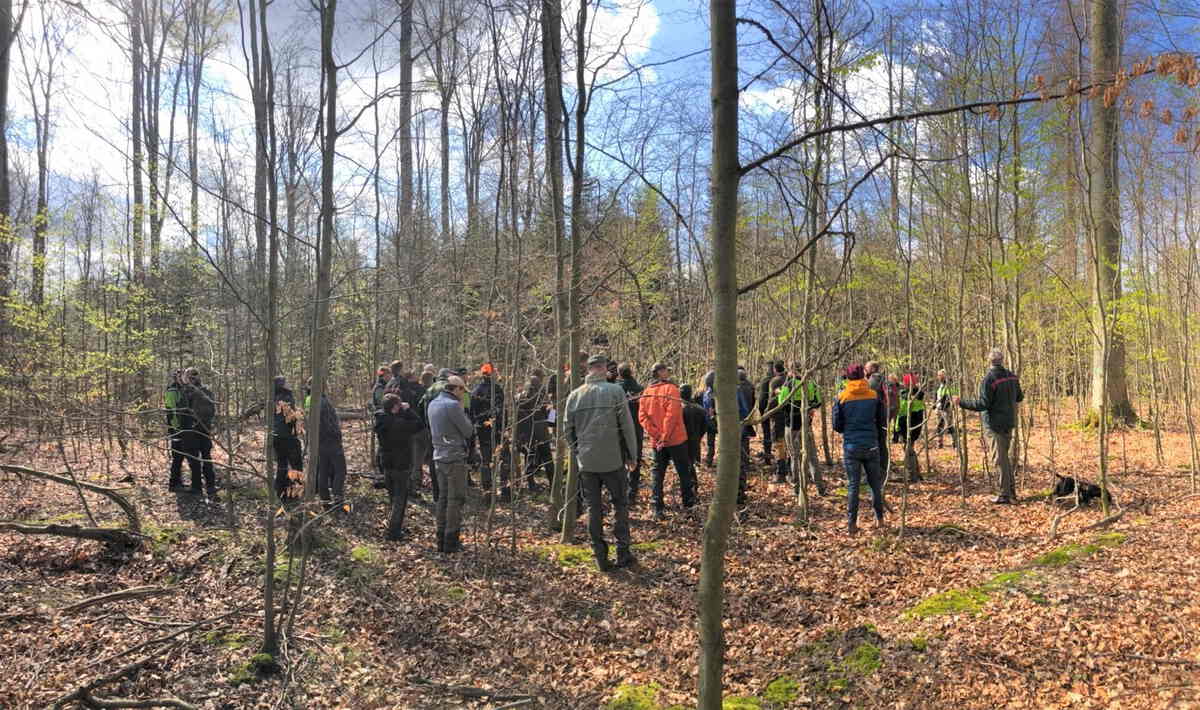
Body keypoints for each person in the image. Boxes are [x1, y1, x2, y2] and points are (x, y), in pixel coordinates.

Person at [564, 354, 639, 571]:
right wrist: (632, 455)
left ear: (589, 370)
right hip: (613, 460)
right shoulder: (615, 391)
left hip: (587, 462)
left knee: (593, 508)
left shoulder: (574, 396)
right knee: (620, 504)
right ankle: (623, 553)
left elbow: (567, 430)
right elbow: (627, 426)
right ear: (604, 368)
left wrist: (578, 452)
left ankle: (600, 557)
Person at [957, 348, 1024, 504]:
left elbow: (982, 404)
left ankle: (1004, 495)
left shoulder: (989, 379)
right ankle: (1010, 493)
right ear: (1002, 360)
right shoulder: (1012, 377)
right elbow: (1020, 397)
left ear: (990, 361)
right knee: (1004, 459)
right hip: (1008, 423)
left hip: (995, 425)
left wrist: (961, 402)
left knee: (1000, 460)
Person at [832, 363, 886, 535]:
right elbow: (881, 420)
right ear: (863, 376)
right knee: (875, 484)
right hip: (871, 444)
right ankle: (880, 519)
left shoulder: (842, 397)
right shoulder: (873, 395)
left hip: (851, 447)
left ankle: (852, 524)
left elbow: (837, 426)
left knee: (853, 485)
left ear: (847, 378)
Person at [638, 362, 696, 520]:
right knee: (683, 471)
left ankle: (657, 506)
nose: (668, 373)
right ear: (660, 372)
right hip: (675, 440)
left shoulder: (646, 393)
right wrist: (663, 437)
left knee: (657, 473)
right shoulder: (672, 390)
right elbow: (673, 416)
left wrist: (656, 436)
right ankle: (688, 504)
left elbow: (642, 418)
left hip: (657, 442)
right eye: (666, 371)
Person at [429, 375, 475, 553]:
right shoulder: (454, 405)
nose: (463, 395)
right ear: (456, 389)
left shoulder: (433, 403)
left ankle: (440, 537)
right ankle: (451, 541)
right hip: (454, 457)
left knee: (443, 498)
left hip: (438, 456)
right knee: (455, 500)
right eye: (463, 391)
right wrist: (463, 410)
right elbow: (468, 431)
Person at [374, 393, 424, 540]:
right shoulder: (399, 423)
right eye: (399, 404)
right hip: (400, 464)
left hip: (386, 463)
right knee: (400, 499)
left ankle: (395, 526)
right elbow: (419, 425)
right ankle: (394, 532)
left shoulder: (381, 419)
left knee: (392, 496)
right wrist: (408, 410)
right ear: (395, 407)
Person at [778, 364, 826, 497]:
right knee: (812, 457)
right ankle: (820, 487)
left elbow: (781, 403)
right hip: (806, 425)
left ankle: (797, 487)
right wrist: (810, 409)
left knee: (794, 456)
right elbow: (818, 401)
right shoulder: (810, 383)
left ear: (792, 371)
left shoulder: (788, 385)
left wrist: (779, 393)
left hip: (791, 426)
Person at [471, 362, 513, 500]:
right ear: (492, 374)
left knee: (486, 461)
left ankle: (487, 492)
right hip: (497, 430)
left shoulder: (475, 391)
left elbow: (473, 413)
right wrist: (505, 427)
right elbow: (502, 411)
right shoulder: (497, 390)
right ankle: (505, 491)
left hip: (483, 431)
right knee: (504, 458)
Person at [179, 368, 217, 497]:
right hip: (204, 430)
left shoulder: (186, 392)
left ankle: (197, 487)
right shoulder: (207, 391)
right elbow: (213, 411)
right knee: (206, 458)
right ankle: (210, 487)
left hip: (192, 431)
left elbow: (181, 411)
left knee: (195, 460)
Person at [312, 385, 349, 511]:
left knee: (323, 471)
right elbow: (330, 424)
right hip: (330, 441)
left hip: (320, 442)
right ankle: (338, 501)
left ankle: (325, 503)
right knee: (340, 470)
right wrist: (337, 436)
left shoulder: (311, 400)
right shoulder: (323, 402)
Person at [515, 374, 553, 490]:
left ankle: (531, 484)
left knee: (529, 456)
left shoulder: (518, 397)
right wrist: (552, 423)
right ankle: (553, 484)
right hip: (540, 429)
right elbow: (551, 414)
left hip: (526, 431)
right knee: (547, 457)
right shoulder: (543, 396)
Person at [617, 363, 645, 504]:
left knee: (620, 460)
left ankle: (621, 491)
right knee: (635, 459)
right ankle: (632, 493)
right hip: (636, 428)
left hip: (620, 429)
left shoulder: (616, 389)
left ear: (619, 374)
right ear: (631, 372)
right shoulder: (640, 389)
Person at [272, 376, 304, 498]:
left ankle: (280, 493)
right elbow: (290, 419)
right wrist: (298, 417)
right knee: (296, 466)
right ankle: (295, 494)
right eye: (286, 383)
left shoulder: (273, 398)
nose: (289, 384)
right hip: (288, 437)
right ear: (282, 385)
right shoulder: (286, 397)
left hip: (277, 437)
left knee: (282, 465)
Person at [164, 369, 187, 490]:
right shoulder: (172, 390)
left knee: (181, 455)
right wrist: (176, 427)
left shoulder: (181, 389)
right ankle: (173, 483)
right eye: (180, 376)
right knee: (177, 456)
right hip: (176, 429)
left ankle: (178, 481)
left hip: (182, 428)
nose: (183, 378)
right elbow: (171, 411)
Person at [678, 384, 708, 476]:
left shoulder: (678, 409)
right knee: (691, 459)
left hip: (684, 439)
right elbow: (705, 425)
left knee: (687, 463)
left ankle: (691, 482)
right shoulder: (700, 409)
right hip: (694, 437)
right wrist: (699, 435)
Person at [756, 361, 779, 465]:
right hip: (772, 408)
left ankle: (769, 457)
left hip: (766, 408)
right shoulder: (774, 380)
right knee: (774, 433)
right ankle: (771, 457)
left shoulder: (765, 379)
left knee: (768, 433)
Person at [934, 370, 959, 448]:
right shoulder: (941, 385)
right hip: (939, 408)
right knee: (939, 425)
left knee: (949, 426)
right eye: (938, 375)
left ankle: (955, 442)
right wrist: (935, 403)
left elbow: (950, 396)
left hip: (947, 409)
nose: (938, 377)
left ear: (944, 376)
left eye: (940, 375)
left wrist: (945, 405)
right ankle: (940, 442)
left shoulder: (949, 385)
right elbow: (937, 394)